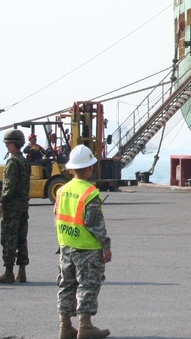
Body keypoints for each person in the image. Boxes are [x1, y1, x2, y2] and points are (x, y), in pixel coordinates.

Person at [54, 144, 112, 339]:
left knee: (66, 286)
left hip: (66, 246)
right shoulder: (90, 192)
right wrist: (106, 246)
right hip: (87, 248)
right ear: (90, 168)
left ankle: (65, 327)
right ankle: (85, 326)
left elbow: (57, 216)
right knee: (87, 286)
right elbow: (95, 224)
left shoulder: (62, 190)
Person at [0, 129, 31, 284]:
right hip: (23, 206)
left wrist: (2, 201)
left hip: (12, 208)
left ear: (13, 144)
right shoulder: (24, 161)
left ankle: (8, 272)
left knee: (9, 238)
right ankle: (22, 271)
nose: (6, 146)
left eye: (8, 143)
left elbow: (10, 185)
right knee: (21, 238)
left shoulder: (13, 162)